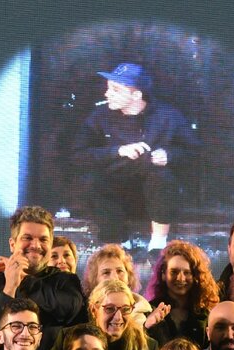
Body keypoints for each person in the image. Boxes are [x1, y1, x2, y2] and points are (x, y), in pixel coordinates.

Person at [72, 63, 199, 248]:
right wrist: (117, 151)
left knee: (161, 177)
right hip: (115, 201)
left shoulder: (168, 116)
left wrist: (169, 155)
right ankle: (118, 244)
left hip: (156, 202)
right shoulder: (99, 117)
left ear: (137, 95)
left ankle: (158, 245)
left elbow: (195, 153)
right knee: (91, 182)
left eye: (115, 90)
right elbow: (78, 156)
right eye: (108, 88)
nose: (107, 95)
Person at [0, 206, 85, 350]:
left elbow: (70, 312)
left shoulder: (66, 280)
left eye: (43, 239)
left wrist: (25, 280)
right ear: (12, 244)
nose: (36, 245)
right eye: (28, 238)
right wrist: (9, 288)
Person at [143, 240, 220, 349]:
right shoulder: (150, 311)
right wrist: (146, 327)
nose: (180, 278)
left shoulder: (206, 315)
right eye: (174, 272)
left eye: (187, 272)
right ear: (163, 274)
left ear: (195, 276)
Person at [80, 243, 152, 325]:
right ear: (94, 281)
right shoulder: (81, 316)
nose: (114, 278)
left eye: (119, 271)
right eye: (106, 272)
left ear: (129, 277)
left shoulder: (150, 315)